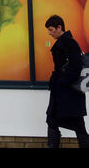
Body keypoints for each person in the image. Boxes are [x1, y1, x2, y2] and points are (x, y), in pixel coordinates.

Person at [45, 14, 89, 148]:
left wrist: (61, 82)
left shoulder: (69, 43)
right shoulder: (64, 42)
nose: (49, 33)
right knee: (51, 120)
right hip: (63, 93)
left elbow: (75, 66)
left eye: (51, 29)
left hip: (68, 93)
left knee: (78, 125)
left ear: (59, 28)